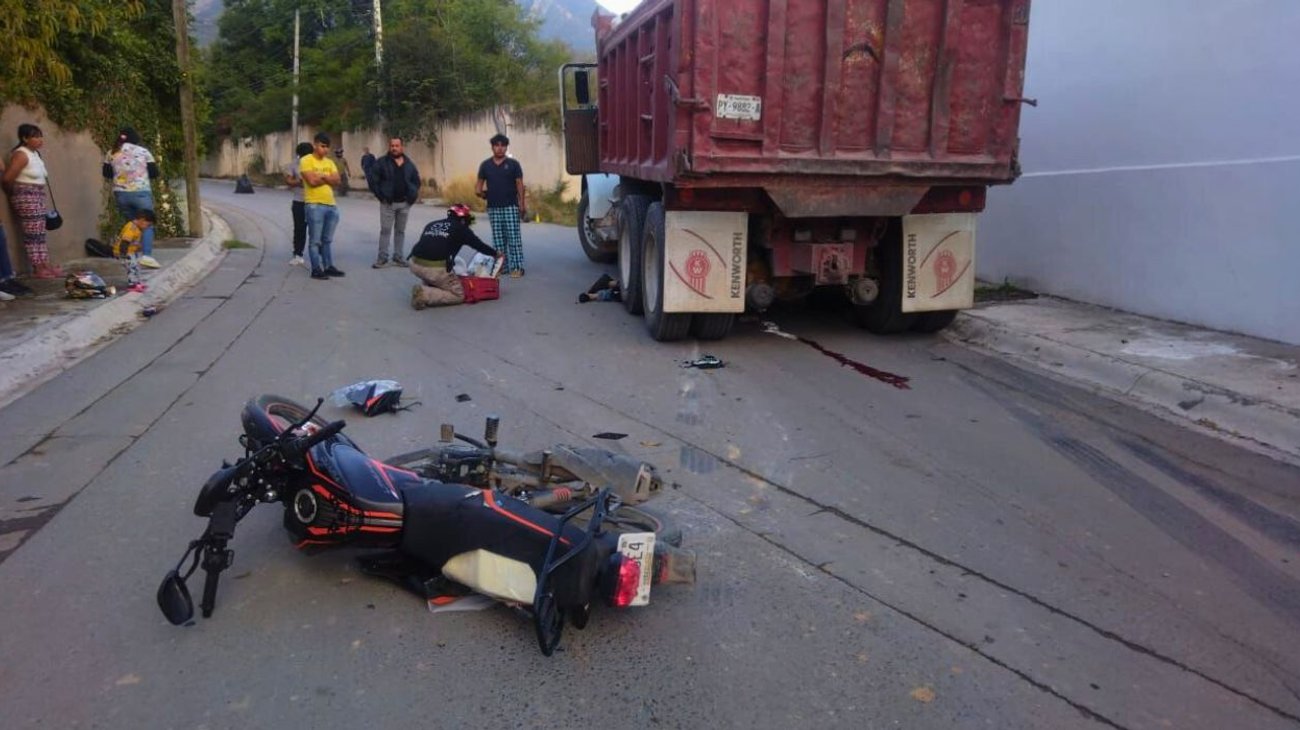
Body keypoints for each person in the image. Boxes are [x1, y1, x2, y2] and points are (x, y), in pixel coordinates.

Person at [408, 204, 502, 310]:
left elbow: (429, 247)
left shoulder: (432, 224)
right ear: (463, 219)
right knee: (458, 295)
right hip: (434, 269)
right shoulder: (461, 229)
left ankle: (431, 284)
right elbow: (479, 245)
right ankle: (424, 293)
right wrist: (495, 254)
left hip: (414, 264)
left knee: (439, 266)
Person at [1, 124, 62, 279]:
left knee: (40, 232)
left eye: (40, 136)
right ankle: (37, 268)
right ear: (25, 138)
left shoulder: (35, 154)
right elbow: (7, 178)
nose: (40, 139)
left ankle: (45, 264)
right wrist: (14, 194)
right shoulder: (21, 154)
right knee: (32, 233)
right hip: (26, 196)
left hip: (38, 195)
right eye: (35, 136)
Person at [102, 126, 161, 269]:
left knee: (133, 224)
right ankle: (146, 256)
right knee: (146, 224)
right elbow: (154, 173)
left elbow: (107, 174)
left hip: (121, 195)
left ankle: (130, 254)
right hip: (140, 192)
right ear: (136, 139)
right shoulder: (143, 152)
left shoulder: (112, 152)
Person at [475, 134, 527, 277]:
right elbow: (478, 187)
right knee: (498, 239)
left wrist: (522, 204)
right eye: (496, 145)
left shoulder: (513, 164)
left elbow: (520, 185)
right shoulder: (485, 165)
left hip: (510, 205)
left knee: (513, 237)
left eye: (502, 145)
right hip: (493, 207)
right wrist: (481, 193)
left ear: (506, 147)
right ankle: (501, 267)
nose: (500, 148)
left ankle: (517, 267)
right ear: (492, 147)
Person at [367, 137, 421, 268]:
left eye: (397, 146)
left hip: (404, 203)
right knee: (385, 231)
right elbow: (373, 180)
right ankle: (382, 258)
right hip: (388, 204)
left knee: (400, 231)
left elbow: (416, 181)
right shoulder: (381, 162)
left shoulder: (409, 164)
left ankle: (398, 257)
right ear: (389, 147)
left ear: (402, 147)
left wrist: (411, 197)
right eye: (392, 146)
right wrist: (381, 196)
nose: (394, 148)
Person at [300, 133, 345, 280]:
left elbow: (338, 180)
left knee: (327, 240)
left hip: (331, 205)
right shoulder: (306, 160)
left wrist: (322, 177)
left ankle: (328, 266)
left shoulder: (330, 162)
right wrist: (328, 178)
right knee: (315, 240)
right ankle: (316, 269)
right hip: (314, 205)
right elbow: (311, 182)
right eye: (322, 146)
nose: (325, 150)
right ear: (315, 145)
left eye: (327, 147)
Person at [283, 141, 313, 266]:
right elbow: (288, 181)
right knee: (299, 229)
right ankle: (298, 254)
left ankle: (317, 255)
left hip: (315, 201)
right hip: (299, 201)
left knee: (316, 230)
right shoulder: (293, 165)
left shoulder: (316, 164)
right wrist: (299, 182)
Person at [113, 209, 154, 293]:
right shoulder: (131, 227)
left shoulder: (137, 229)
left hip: (131, 252)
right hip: (124, 252)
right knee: (131, 267)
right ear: (142, 220)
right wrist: (124, 254)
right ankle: (132, 284)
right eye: (148, 224)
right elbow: (125, 241)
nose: (147, 227)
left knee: (136, 266)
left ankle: (137, 282)